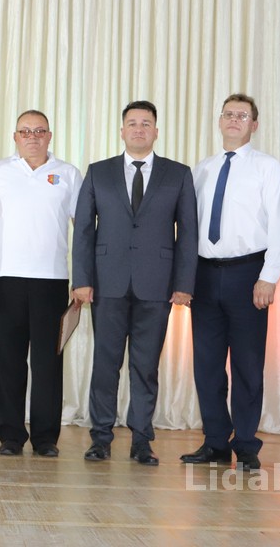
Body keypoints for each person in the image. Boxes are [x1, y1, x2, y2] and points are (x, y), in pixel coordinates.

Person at [72, 100, 198, 465]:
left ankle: (142, 439)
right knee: (105, 365)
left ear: (156, 131)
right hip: (106, 284)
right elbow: (83, 230)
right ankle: (101, 437)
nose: (139, 129)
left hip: (156, 286)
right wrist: (82, 280)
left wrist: (184, 283)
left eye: (146, 123)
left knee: (145, 367)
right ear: (122, 131)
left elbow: (188, 233)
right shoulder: (98, 172)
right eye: (132, 123)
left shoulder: (178, 174)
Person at [180, 94, 280, 470]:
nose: (233, 120)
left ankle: (245, 443)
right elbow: (189, 227)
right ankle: (215, 441)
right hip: (204, 275)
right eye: (228, 114)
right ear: (219, 121)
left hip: (248, 274)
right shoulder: (202, 169)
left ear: (254, 125)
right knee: (207, 364)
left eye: (242, 115)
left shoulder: (267, 167)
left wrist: (268, 277)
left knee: (247, 363)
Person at [0, 110, 82, 458]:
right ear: (15, 137)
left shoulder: (68, 174)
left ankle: (45, 438)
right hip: (5, 278)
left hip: (52, 280)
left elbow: (83, 229)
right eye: (25, 131)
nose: (32, 137)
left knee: (47, 362)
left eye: (39, 131)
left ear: (49, 136)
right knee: (9, 360)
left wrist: (83, 279)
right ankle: (11, 435)